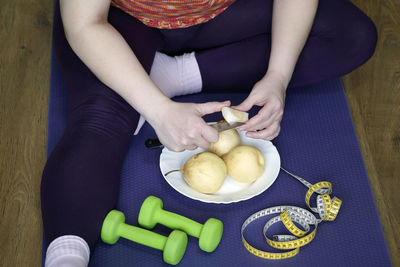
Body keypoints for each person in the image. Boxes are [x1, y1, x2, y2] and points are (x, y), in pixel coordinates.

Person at [41, 0, 377, 266]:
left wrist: (278, 76)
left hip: (223, 12)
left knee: (352, 35)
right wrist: (157, 110)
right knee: (99, 121)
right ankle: (67, 257)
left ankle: (172, 74)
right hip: (123, 21)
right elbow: (85, 23)